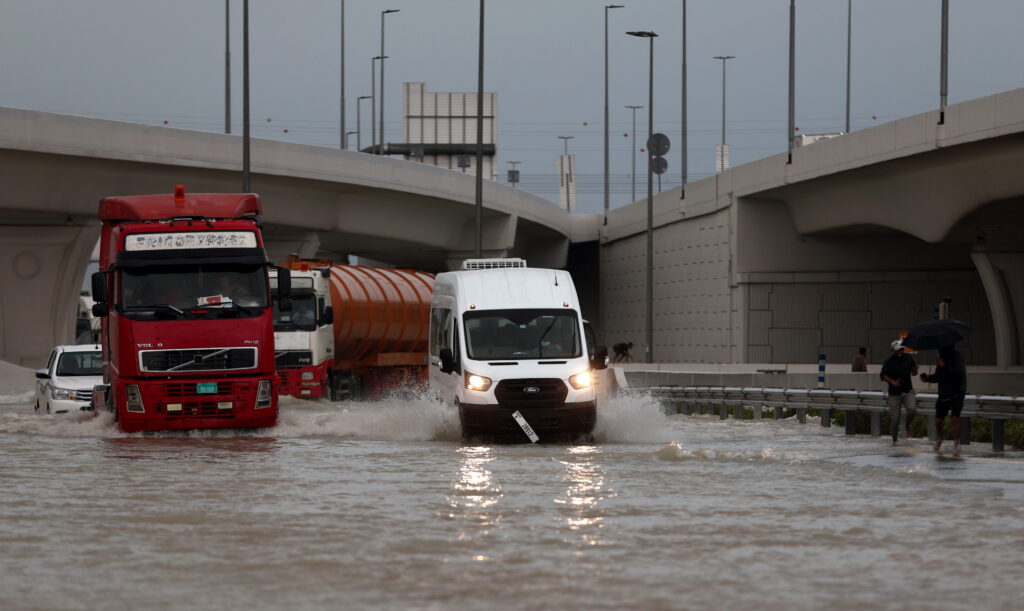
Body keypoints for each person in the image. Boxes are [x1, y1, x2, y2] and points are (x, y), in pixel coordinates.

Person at [920, 345, 967, 453]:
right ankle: (941, 437)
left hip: (957, 392)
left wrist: (944, 365)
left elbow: (958, 374)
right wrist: (927, 378)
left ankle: (956, 443)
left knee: (955, 418)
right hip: (944, 393)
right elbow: (938, 376)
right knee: (938, 421)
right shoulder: (941, 358)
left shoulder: (957, 357)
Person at [880, 339, 918, 445]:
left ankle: (907, 425)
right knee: (895, 419)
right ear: (892, 350)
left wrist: (915, 371)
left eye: (901, 349)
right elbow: (883, 375)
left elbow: (914, 370)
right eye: (898, 350)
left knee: (912, 410)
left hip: (907, 390)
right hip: (894, 393)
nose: (900, 351)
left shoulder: (909, 358)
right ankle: (894, 441)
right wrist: (892, 381)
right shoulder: (888, 362)